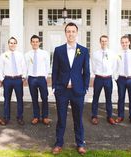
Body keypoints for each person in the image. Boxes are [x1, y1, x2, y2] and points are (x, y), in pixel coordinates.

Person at [51, 22, 90, 155]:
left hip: (78, 91)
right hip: (62, 91)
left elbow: (87, 71)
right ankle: (58, 143)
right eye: (68, 31)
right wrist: (54, 88)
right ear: (65, 33)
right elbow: (54, 70)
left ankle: (80, 143)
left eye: (73, 31)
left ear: (77, 33)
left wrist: (85, 88)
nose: (71, 34)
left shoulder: (83, 51)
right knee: (61, 118)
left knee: (78, 118)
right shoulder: (58, 50)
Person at [0, 37, 27, 125]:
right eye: (11, 43)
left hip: (18, 79)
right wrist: (2, 80)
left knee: (20, 99)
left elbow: (24, 67)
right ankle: (6, 118)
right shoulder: (3, 55)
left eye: (14, 43)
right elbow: (0, 68)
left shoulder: (20, 55)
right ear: (8, 44)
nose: (12, 44)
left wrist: (23, 77)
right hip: (7, 80)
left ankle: (20, 117)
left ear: (16, 44)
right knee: (7, 99)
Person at [91, 35, 117, 125]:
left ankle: (109, 116)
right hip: (98, 78)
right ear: (100, 42)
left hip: (108, 79)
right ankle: (94, 116)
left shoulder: (112, 53)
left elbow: (114, 66)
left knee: (108, 98)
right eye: (102, 41)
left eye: (105, 41)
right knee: (95, 98)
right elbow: (93, 66)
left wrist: (110, 74)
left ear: (107, 42)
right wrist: (97, 73)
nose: (104, 43)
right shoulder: (95, 53)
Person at [25, 35, 50, 125]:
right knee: (34, 98)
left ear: (39, 43)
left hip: (41, 78)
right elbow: (26, 67)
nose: (35, 43)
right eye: (33, 41)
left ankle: (45, 117)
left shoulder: (45, 53)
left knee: (44, 98)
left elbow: (47, 66)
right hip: (31, 78)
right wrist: (27, 77)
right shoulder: (27, 54)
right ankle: (36, 117)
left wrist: (45, 77)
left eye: (36, 41)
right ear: (31, 43)